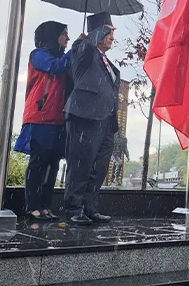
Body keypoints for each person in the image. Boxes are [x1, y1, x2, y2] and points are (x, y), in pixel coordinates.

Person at [14, 21, 76, 221]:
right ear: (53, 35)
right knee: (38, 163)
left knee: (53, 165)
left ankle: (45, 206)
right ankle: (32, 207)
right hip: (40, 117)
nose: (67, 38)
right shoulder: (38, 55)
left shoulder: (62, 58)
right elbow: (55, 67)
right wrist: (75, 49)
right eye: (64, 34)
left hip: (57, 119)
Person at [63, 12, 120, 225]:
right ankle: (73, 208)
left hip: (106, 121)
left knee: (99, 167)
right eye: (109, 31)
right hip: (85, 116)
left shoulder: (105, 60)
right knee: (81, 163)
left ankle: (90, 207)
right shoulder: (82, 50)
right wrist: (86, 38)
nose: (112, 37)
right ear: (97, 31)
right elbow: (83, 47)